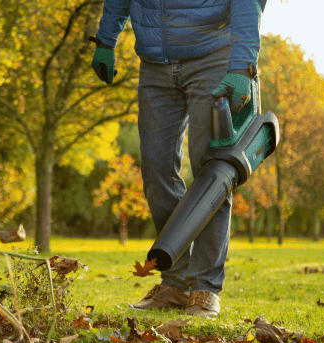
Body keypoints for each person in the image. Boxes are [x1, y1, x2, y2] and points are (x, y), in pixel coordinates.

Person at [90, 0, 268, 318]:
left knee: (213, 173)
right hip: (154, 63)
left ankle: (205, 287)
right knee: (156, 171)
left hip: (213, 56)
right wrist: (105, 39)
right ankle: (176, 282)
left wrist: (242, 66)